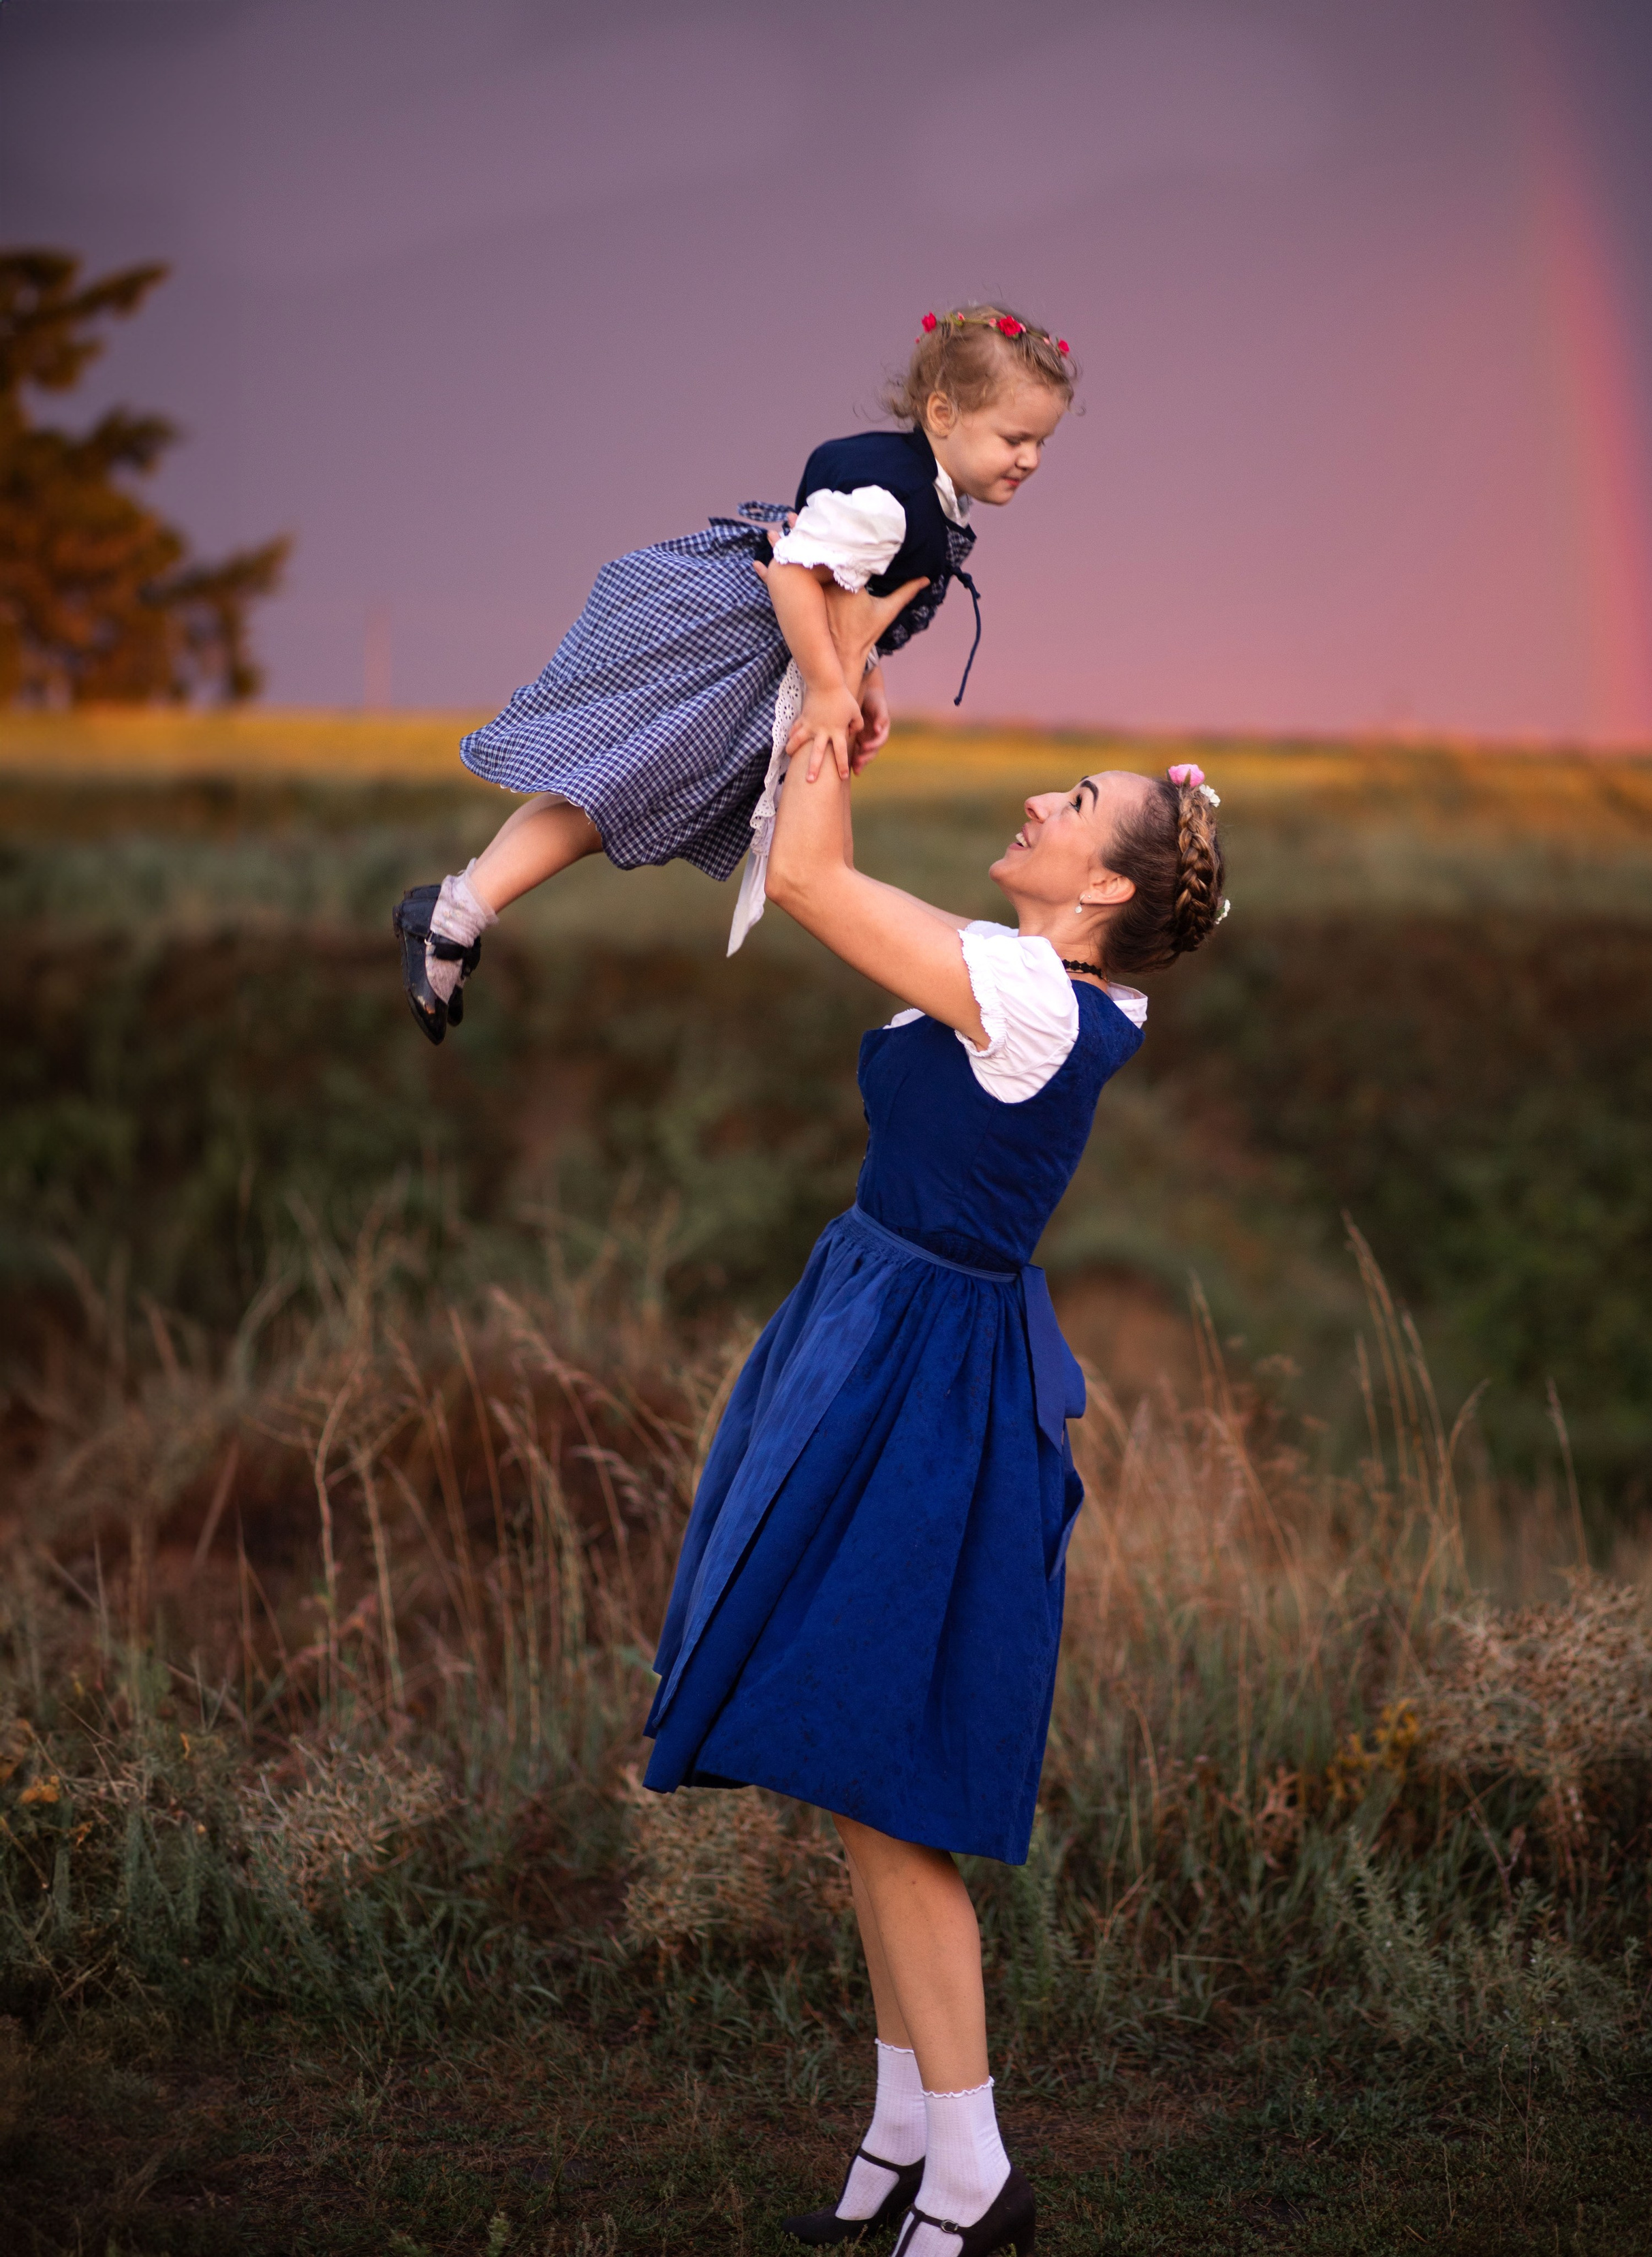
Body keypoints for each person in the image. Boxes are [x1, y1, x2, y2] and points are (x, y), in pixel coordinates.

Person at [639, 606, 1227, 2257]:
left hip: (920, 1373)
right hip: (870, 1332)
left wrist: (829, 686)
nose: (1038, 804)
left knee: (888, 1773)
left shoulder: (1033, 1001)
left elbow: (817, 886)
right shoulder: (1022, 978)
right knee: (847, 1752)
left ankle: (972, 2176)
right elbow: (815, 866)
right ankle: (904, 2125)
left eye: (1073, 803)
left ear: (1101, 887)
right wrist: (825, 725)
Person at [393, 305, 1076, 1041]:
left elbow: (847, 590)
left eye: (1041, 442)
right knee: (615, 796)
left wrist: (863, 681)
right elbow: (790, 576)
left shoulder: (902, 473)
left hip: (761, 643)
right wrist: (826, 687)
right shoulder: (894, 503)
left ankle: (455, 910)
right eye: (1014, 437)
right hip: (742, 648)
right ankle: (451, 915)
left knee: (605, 792)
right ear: (943, 412)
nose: (1029, 458)